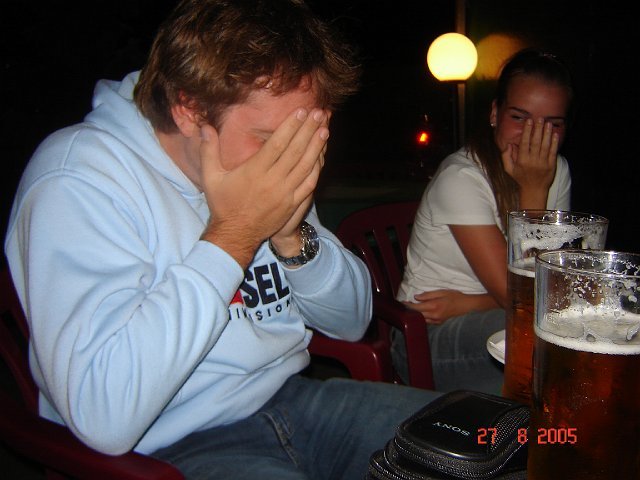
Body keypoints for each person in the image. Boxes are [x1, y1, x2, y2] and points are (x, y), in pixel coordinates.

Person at [3, 1, 443, 478]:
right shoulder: (78, 180)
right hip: (168, 448)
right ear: (189, 109)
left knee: (488, 440)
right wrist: (235, 234)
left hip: (293, 399)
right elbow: (103, 414)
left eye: (306, 137)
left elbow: (352, 322)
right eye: (270, 139)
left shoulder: (265, 166)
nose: (292, 158)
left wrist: (293, 238)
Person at [395, 48, 573, 394]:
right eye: (519, 118)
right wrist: (534, 190)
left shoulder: (559, 170)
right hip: (424, 336)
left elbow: (554, 289)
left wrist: (472, 302)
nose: (533, 135)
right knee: (544, 340)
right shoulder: (461, 177)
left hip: (494, 315)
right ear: (495, 113)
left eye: (552, 124)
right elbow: (528, 302)